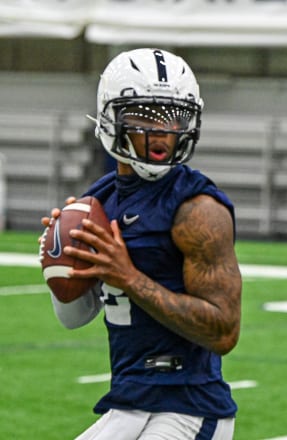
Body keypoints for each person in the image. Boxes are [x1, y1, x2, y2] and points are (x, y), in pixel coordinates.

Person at [40, 48, 242, 439]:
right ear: (110, 117)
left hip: (187, 406)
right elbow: (74, 318)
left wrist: (129, 277)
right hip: (130, 401)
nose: (162, 131)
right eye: (145, 116)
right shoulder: (98, 200)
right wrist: (61, 264)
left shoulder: (198, 208)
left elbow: (224, 332)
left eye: (175, 117)